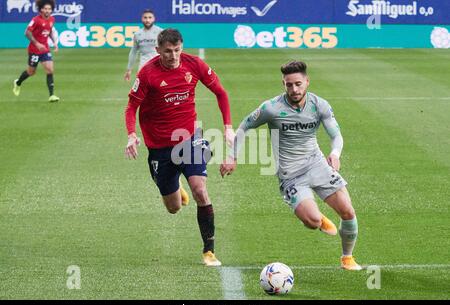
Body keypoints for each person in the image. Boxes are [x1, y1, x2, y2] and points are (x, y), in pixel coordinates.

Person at [220, 61, 362, 270]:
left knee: (348, 211)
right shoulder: (271, 108)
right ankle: (317, 217)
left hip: (318, 165)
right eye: (289, 85)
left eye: (298, 84)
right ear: (283, 84)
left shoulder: (319, 105)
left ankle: (347, 258)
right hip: (291, 175)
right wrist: (232, 157)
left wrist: (335, 153)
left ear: (307, 82)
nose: (294, 89)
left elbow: (336, 135)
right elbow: (245, 125)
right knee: (312, 222)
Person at [124, 28, 235, 266]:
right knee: (173, 208)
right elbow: (131, 106)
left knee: (200, 190)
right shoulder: (147, 74)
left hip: (189, 138)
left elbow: (221, 92)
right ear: (158, 50)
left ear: (181, 48)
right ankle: (176, 186)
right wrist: (132, 134)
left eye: (177, 50)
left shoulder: (194, 65)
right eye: (167, 52)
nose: (173, 56)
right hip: (159, 148)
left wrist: (227, 127)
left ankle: (209, 251)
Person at [13, 0, 59, 102]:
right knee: (31, 72)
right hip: (34, 50)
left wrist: (54, 42)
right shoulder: (36, 20)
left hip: (45, 49)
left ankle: (51, 95)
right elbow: (27, 33)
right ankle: (18, 82)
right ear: (41, 9)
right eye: (45, 9)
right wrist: (37, 43)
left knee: (50, 70)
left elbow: (49, 31)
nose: (47, 11)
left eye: (49, 9)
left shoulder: (52, 19)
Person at [124, 9, 163, 82]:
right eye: (145, 17)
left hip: (159, 65)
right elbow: (133, 52)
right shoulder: (137, 34)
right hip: (143, 66)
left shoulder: (160, 32)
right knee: (142, 90)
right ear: (142, 19)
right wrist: (129, 69)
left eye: (150, 17)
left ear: (154, 19)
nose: (147, 20)